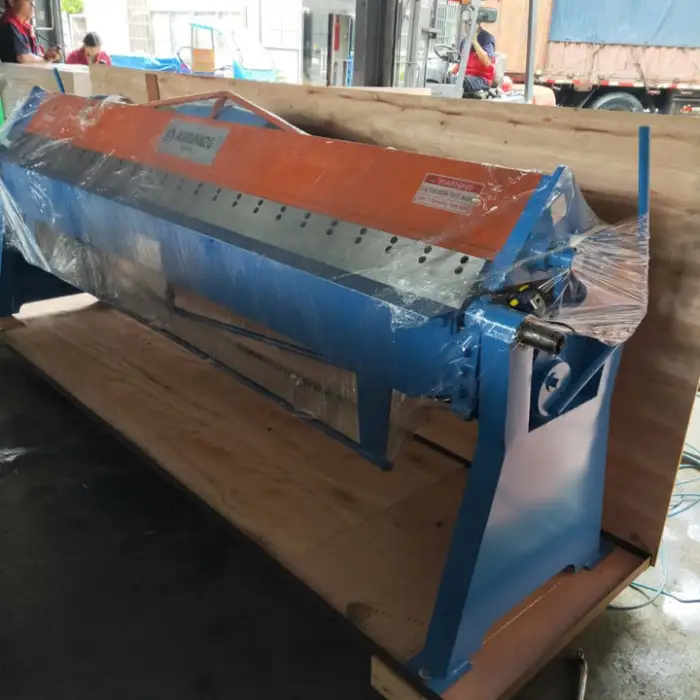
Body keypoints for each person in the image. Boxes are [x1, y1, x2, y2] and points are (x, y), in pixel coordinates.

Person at [455, 19, 496, 94]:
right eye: (465, 23)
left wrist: (474, 41)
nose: (466, 26)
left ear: (478, 24)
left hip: (482, 80)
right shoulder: (464, 41)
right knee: (448, 80)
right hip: (466, 77)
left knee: (462, 81)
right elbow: (460, 63)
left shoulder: (487, 38)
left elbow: (487, 62)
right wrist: (450, 74)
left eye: (470, 24)